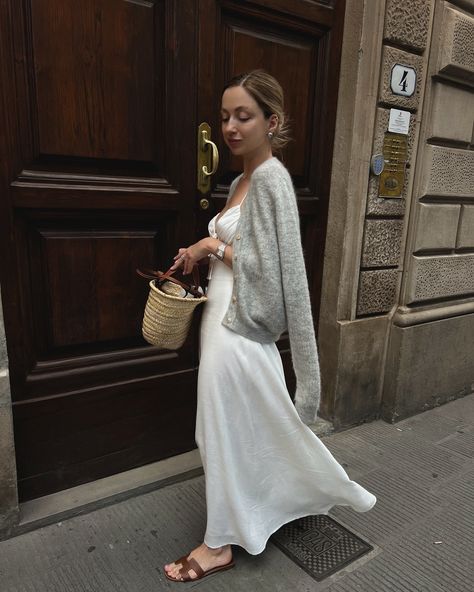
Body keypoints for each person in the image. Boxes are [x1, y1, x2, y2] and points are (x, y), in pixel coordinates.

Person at [164, 70, 376, 583]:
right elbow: (248, 251)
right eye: (225, 116)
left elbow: (278, 271)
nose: (231, 127)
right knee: (240, 426)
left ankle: (218, 545)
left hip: (239, 330)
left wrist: (209, 246)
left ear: (271, 120)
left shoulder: (274, 179)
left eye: (244, 115)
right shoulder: (240, 181)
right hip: (220, 319)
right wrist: (201, 254)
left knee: (222, 429)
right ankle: (269, 506)